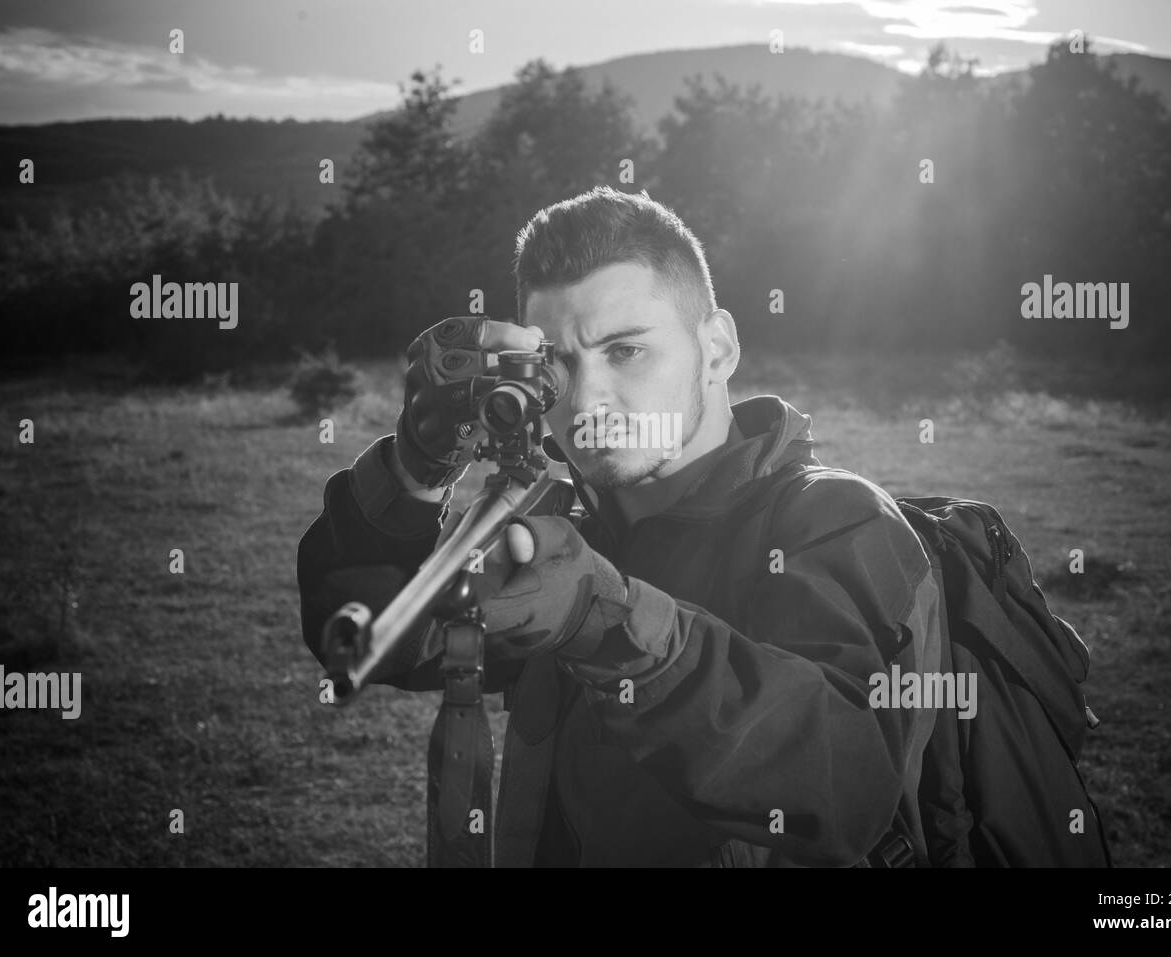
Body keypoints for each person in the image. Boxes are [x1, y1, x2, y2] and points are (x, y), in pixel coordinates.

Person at [297, 186, 944, 867]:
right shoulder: (561, 529)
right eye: (560, 364)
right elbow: (375, 638)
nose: (587, 399)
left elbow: (846, 789)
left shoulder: (839, 522)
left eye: (626, 351)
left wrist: (607, 621)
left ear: (717, 347)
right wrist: (416, 465)